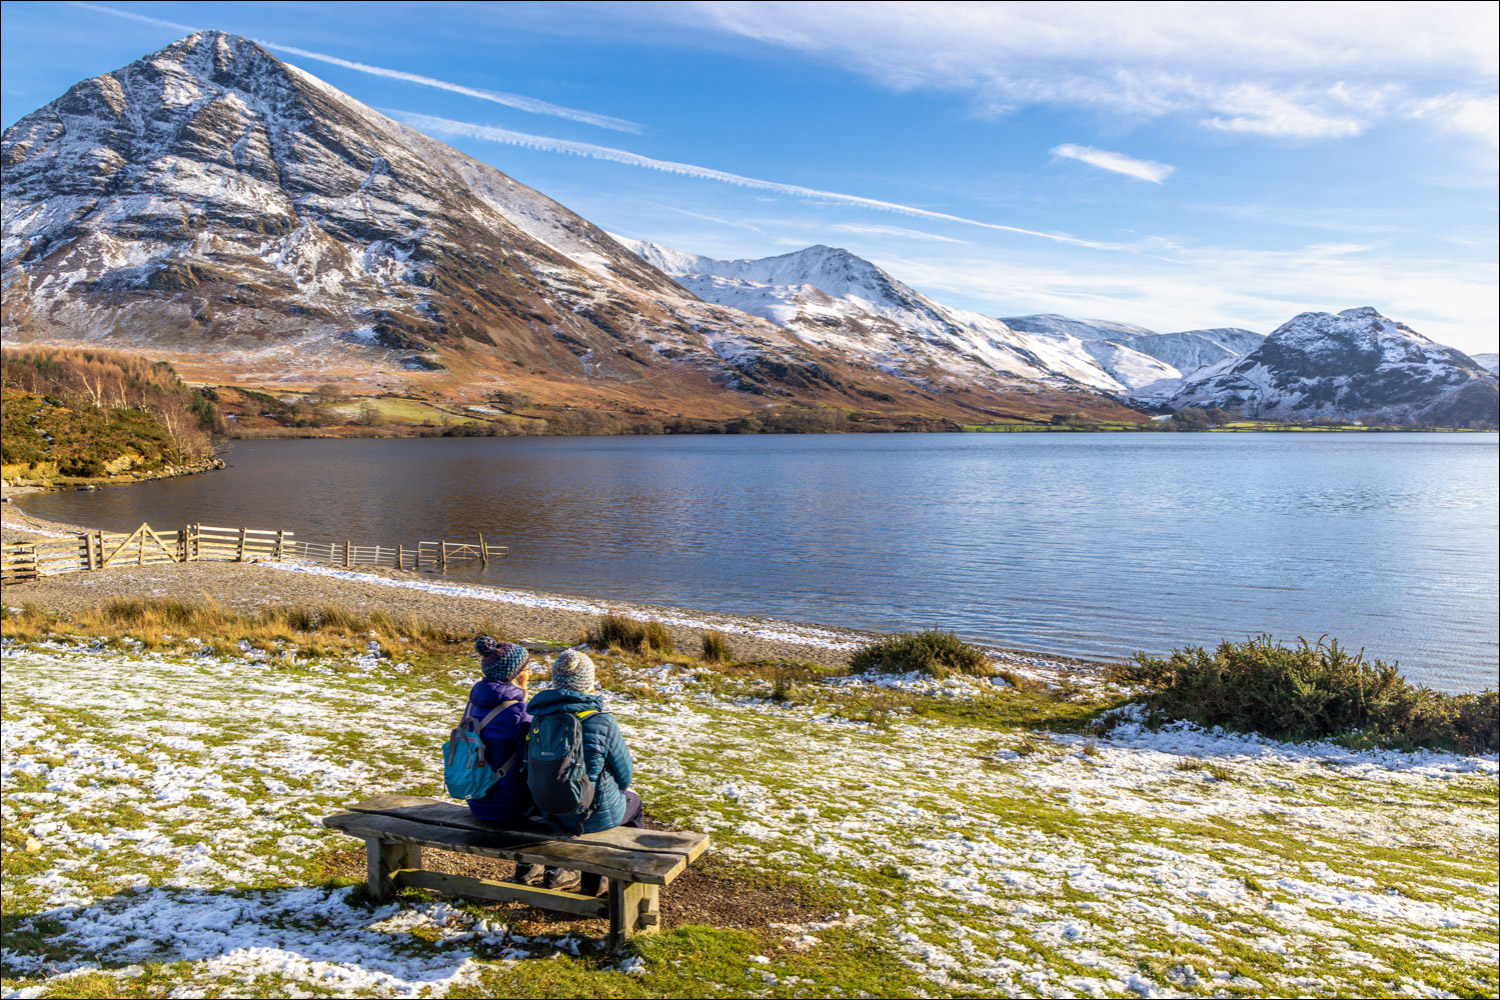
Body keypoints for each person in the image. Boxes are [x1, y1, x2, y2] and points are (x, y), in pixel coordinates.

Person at [527, 649, 644, 895]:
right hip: (592, 816)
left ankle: (562, 872)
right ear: (589, 684)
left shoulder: (539, 719)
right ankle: (616, 881)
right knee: (633, 803)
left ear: (556, 682)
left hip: (551, 811)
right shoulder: (602, 722)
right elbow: (625, 777)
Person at [463, 637, 571, 889]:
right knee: (554, 796)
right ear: (515, 674)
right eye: (527, 666)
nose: (530, 670)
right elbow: (534, 762)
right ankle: (555, 870)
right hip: (507, 809)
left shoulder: (475, 702)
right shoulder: (517, 712)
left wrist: (522, 694)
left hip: (478, 800)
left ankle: (526, 867)